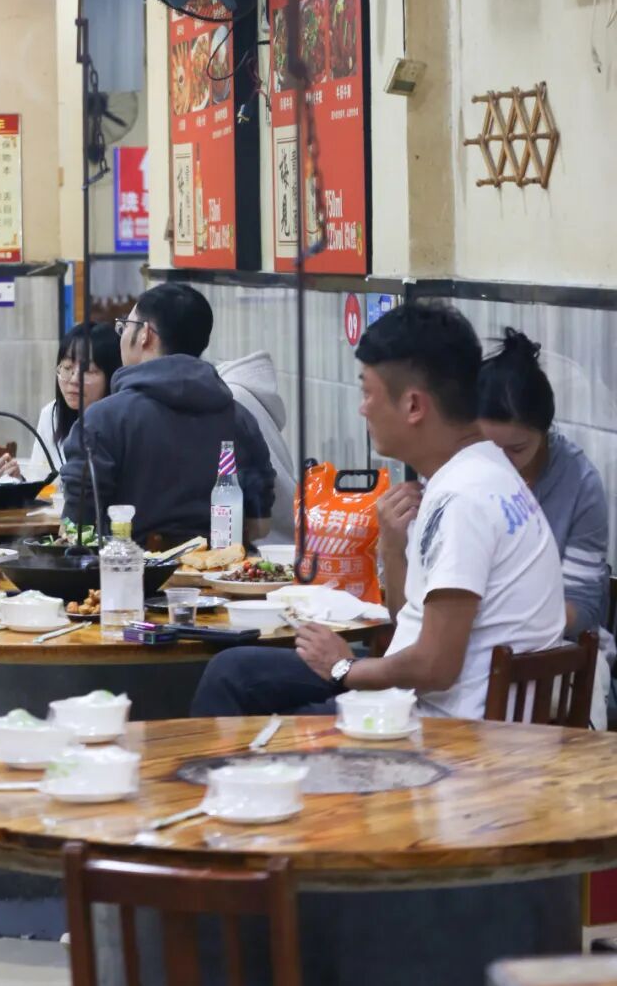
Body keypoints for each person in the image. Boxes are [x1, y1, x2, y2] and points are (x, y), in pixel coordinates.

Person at [192, 302, 567, 720]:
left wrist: (344, 667)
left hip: (446, 733)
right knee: (234, 671)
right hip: (424, 703)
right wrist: (392, 545)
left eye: (368, 393)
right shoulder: (482, 473)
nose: (363, 408)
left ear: (413, 406)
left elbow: (436, 667)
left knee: (255, 708)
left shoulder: (465, 498)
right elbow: (413, 622)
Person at [60, 283, 275, 543]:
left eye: (125, 326)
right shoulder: (241, 418)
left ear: (145, 334)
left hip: (130, 566)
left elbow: (75, 530)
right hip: (223, 565)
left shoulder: (103, 419)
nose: (122, 336)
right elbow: (259, 525)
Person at [479, 328, 613, 725]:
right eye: (489, 448)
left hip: (558, 650)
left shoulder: (579, 484)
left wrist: (498, 622)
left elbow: (582, 608)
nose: (502, 462)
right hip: (470, 644)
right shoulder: (464, 471)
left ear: (545, 431)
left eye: (517, 449)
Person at [0, 323, 122, 477]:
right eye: (67, 368)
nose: (74, 380)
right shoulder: (51, 415)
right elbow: (39, 479)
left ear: (111, 375)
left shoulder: (122, 422)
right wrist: (18, 479)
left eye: (88, 370)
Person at [218, 347, 296, 543]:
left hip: (269, 544)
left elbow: (257, 523)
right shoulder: (239, 395)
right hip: (282, 537)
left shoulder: (230, 401)